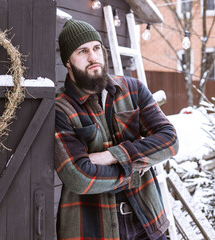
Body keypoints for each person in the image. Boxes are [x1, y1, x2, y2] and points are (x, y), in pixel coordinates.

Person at [55, 19, 179, 240]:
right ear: (67, 62)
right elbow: (79, 177)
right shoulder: (60, 108)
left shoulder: (133, 89)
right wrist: (134, 166)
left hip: (147, 222)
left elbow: (169, 141)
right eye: (82, 51)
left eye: (96, 48)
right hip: (92, 230)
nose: (93, 57)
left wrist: (111, 156)